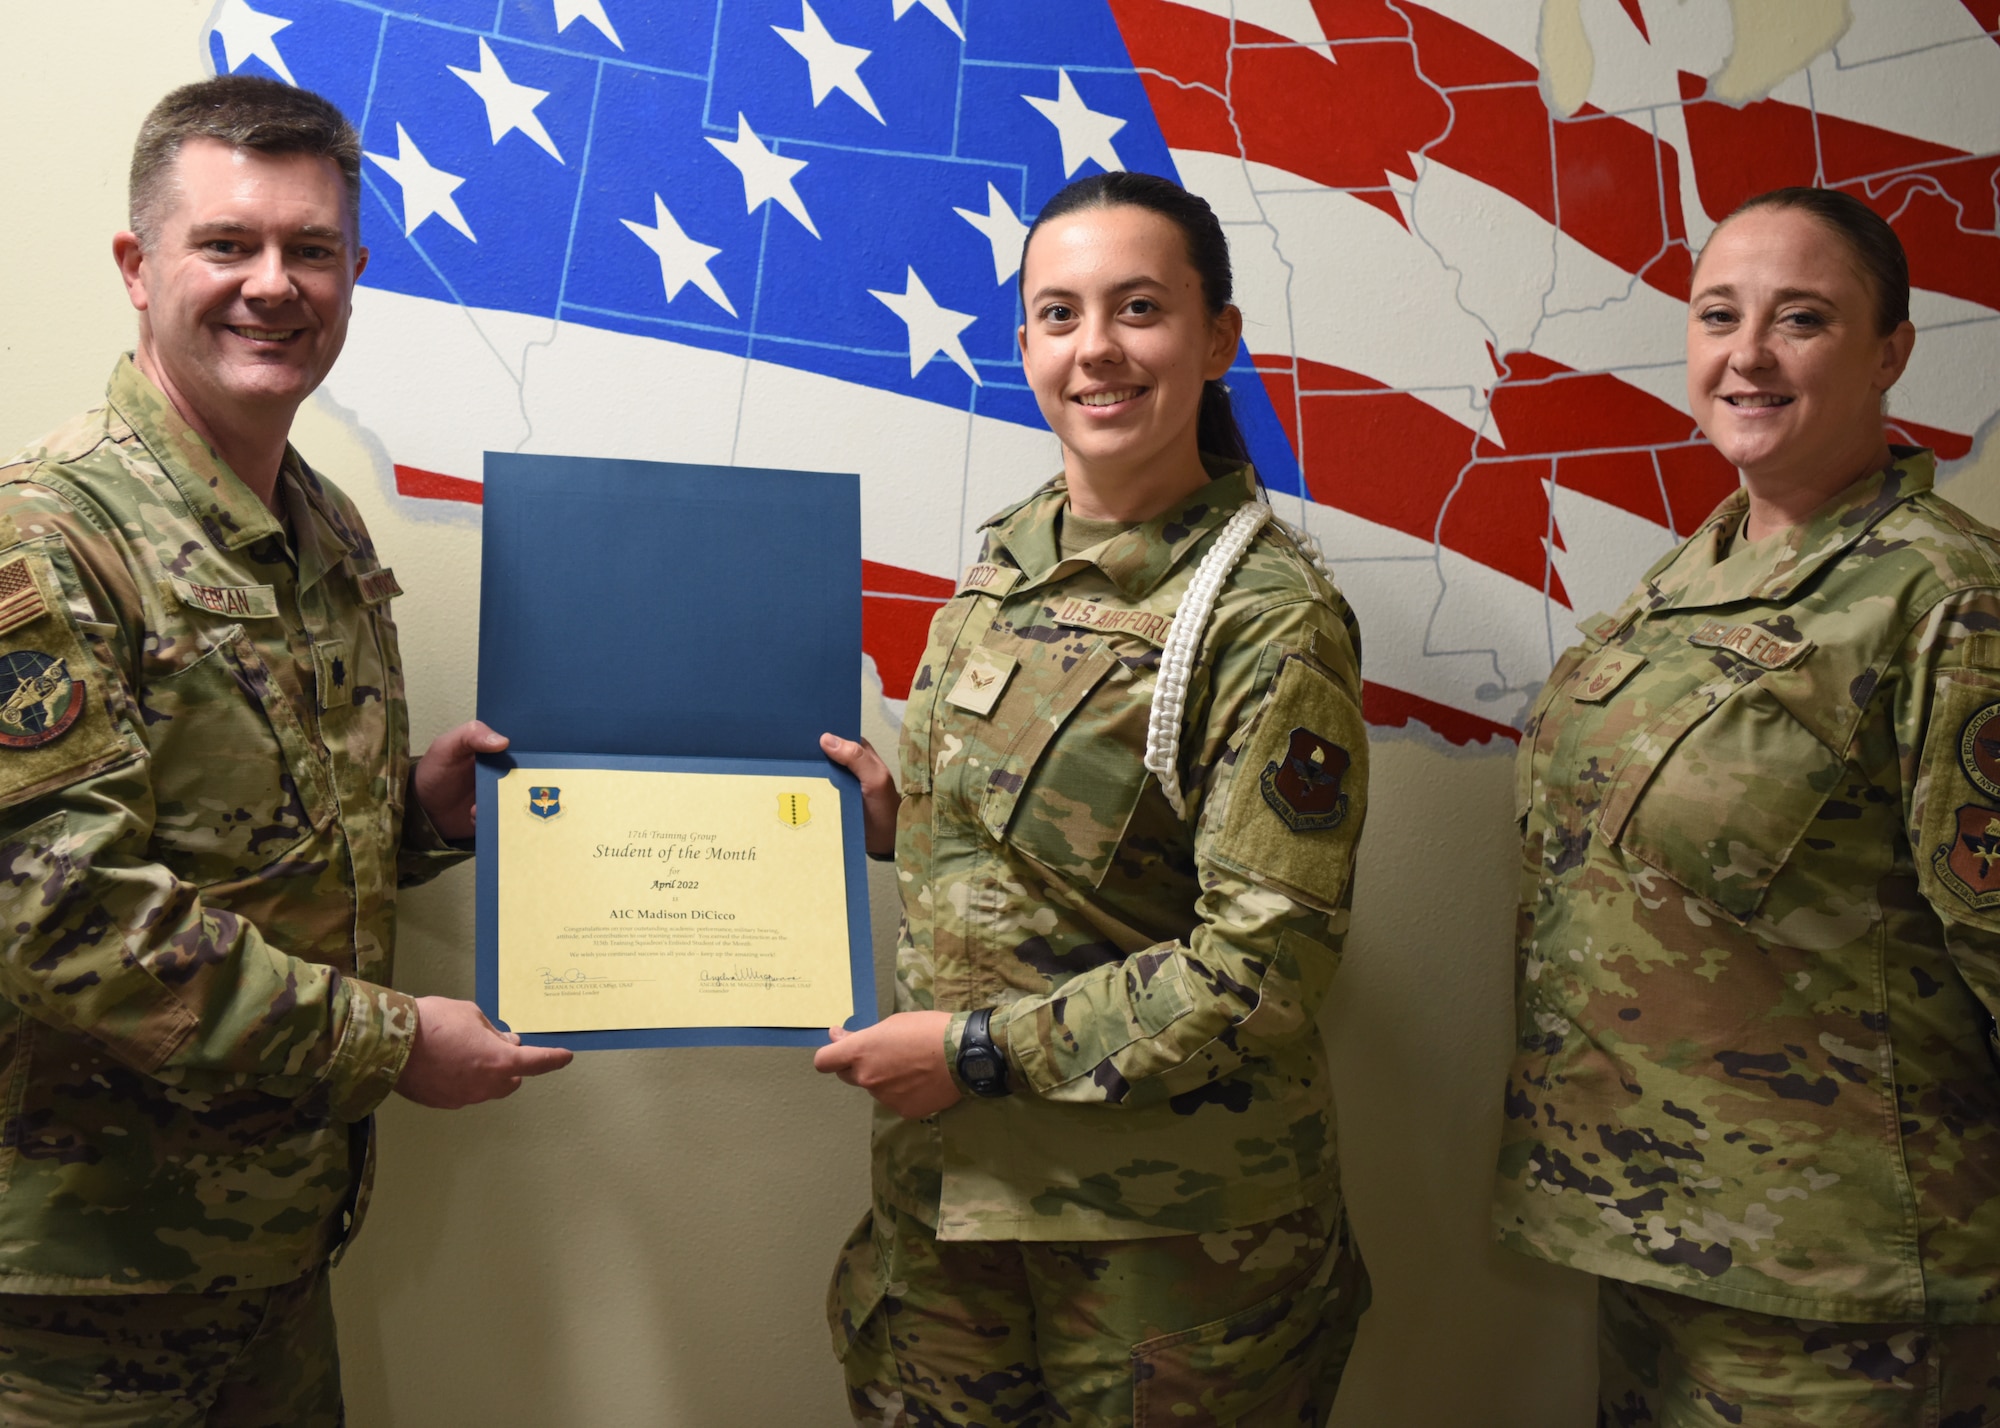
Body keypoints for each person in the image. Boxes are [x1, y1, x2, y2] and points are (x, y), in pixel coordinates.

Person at [0, 76, 571, 1425]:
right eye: (229, 244)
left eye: (311, 249)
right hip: (74, 1289)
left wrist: (420, 815)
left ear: (356, 273)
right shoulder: (48, 539)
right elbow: (60, 915)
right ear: (140, 268)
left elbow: (261, 829)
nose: (275, 284)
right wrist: (390, 1045)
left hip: (272, 1250)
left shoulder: (319, 530)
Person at [815, 171, 1371, 1427]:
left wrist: (971, 1054)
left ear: (1217, 337)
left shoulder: (1263, 616)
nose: (1095, 350)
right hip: (953, 1204)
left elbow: (1262, 968)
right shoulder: (1011, 557)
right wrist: (904, 830)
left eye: (1138, 308)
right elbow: (1061, 842)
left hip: (1161, 1253)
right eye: (1058, 315)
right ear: (1022, 345)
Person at [1494, 186, 2000, 1424]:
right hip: (1653, 1240)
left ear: (1888, 353)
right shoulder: (1683, 580)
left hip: (1843, 1288)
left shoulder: (1941, 599)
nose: (1747, 354)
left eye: (1802, 319)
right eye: (1718, 314)